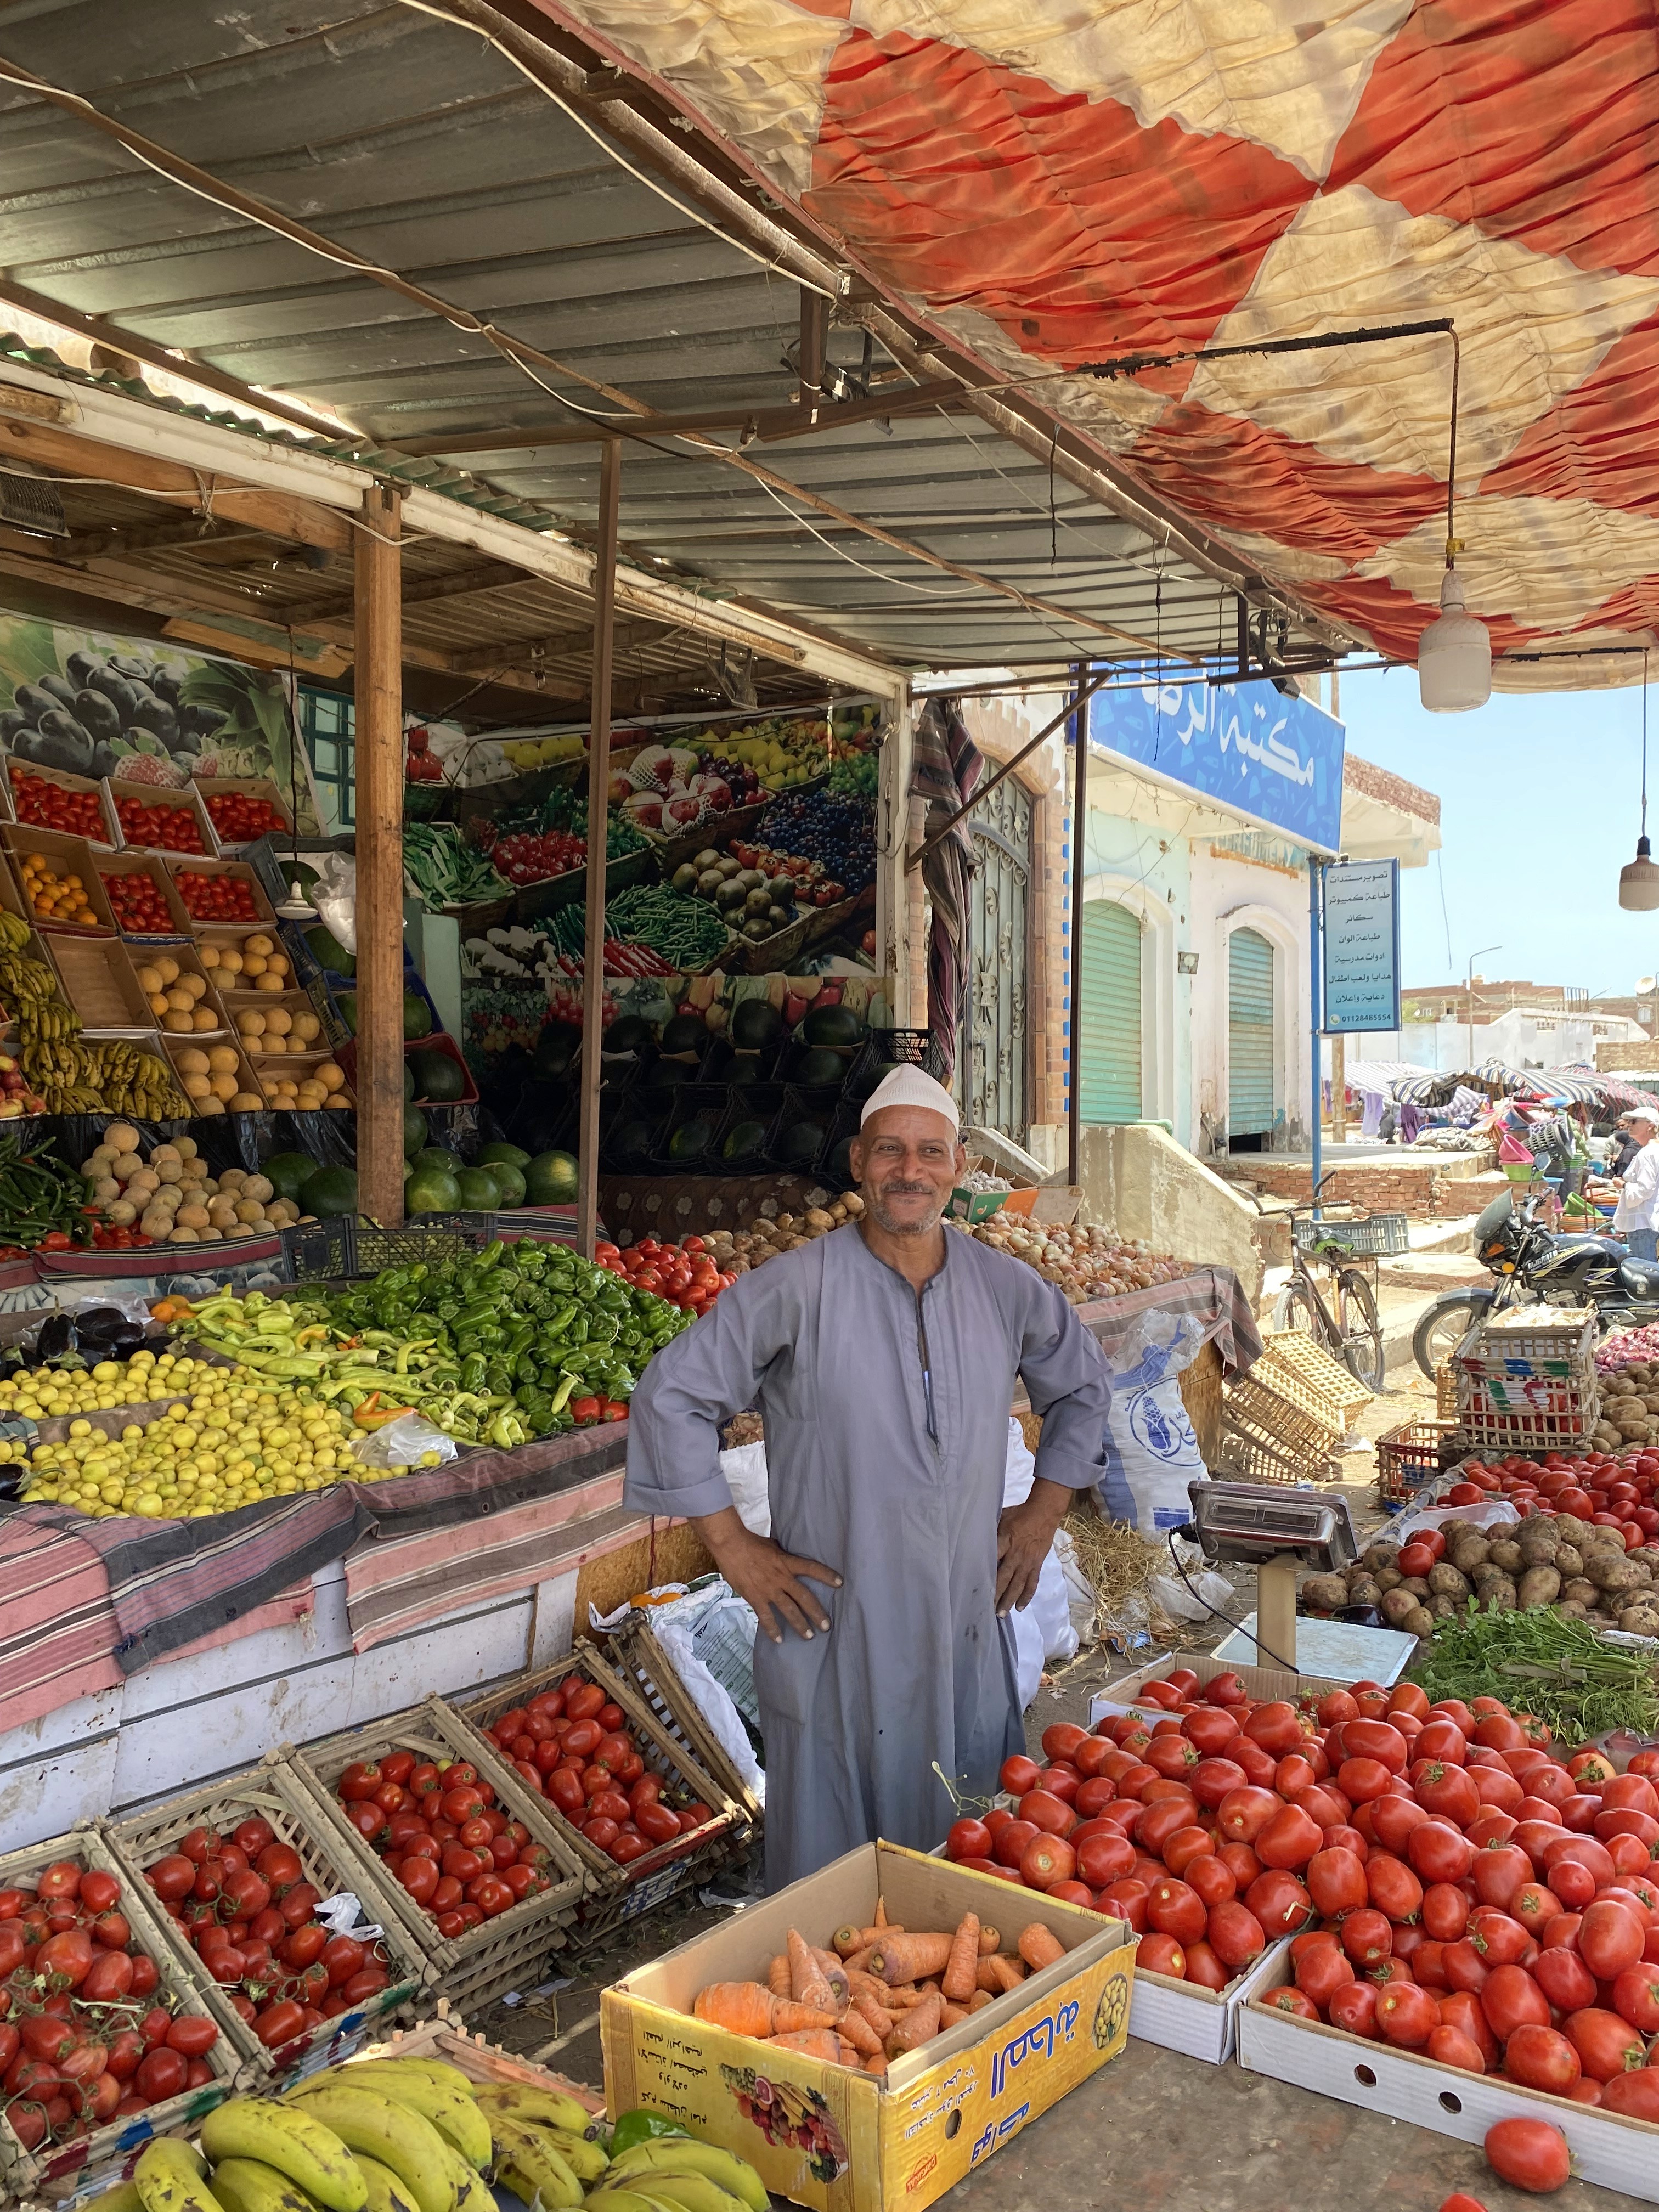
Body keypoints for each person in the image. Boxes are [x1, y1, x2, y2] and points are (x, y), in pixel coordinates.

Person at [623, 1064, 1113, 1890]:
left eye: (929, 1152)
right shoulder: (789, 1289)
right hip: (834, 1622)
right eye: (890, 1151)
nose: (909, 1171)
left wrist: (1041, 1517)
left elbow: (1085, 1387)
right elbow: (669, 1398)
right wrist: (734, 1547)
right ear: (858, 1162)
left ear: (960, 1165)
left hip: (963, 1612)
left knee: (972, 1859)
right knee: (832, 1877)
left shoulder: (1005, 1288)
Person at [1613, 1108, 1659, 1260]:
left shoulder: (1648, 1153)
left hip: (1643, 1221)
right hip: (1650, 1218)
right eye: (1628, 1122)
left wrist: (1624, 1185)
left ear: (1650, 1126)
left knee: (1645, 1272)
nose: (1628, 1125)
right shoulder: (1652, 1151)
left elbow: (1645, 1190)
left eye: (1633, 1121)